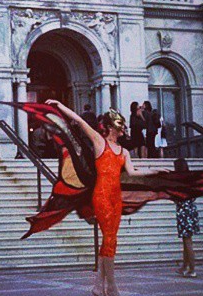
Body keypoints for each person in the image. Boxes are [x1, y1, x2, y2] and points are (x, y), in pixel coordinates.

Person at [46, 100, 168, 296]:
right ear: (112, 127)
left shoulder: (125, 152)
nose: (123, 131)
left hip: (115, 198)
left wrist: (156, 171)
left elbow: (133, 172)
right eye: (120, 127)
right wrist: (59, 104)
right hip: (101, 196)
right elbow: (78, 119)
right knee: (110, 239)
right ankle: (111, 287)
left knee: (109, 240)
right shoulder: (98, 141)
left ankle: (97, 286)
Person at [173, 158, 200, 278]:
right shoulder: (191, 180)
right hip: (191, 210)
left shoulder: (179, 182)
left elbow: (176, 197)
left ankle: (192, 269)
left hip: (183, 212)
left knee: (187, 241)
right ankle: (185, 266)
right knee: (186, 240)